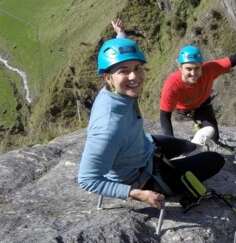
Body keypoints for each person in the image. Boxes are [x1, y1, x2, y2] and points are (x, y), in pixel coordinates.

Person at [77, 34, 225, 208]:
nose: (134, 77)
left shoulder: (116, 93)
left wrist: (120, 35)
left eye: (137, 67)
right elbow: (87, 179)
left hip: (143, 147)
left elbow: (123, 62)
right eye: (123, 71)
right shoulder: (107, 128)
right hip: (141, 177)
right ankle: (183, 161)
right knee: (216, 160)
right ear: (108, 77)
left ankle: (195, 146)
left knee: (184, 145)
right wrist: (137, 193)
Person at [160, 33, 236, 149]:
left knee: (214, 138)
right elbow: (165, 116)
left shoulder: (209, 69)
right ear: (180, 68)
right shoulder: (172, 85)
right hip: (184, 110)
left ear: (202, 66)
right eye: (188, 69)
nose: (193, 73)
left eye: (197, 68)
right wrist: (171, 145)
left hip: (203, 105)